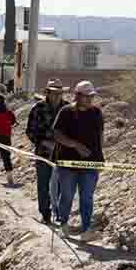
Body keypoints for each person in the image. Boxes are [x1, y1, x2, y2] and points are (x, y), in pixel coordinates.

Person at [53, 80, 104, 242]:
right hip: (67, 164)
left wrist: (99, 158)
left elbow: (100, 137)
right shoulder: (66, 112)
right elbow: (57, 135)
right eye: (86, 96)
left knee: (87, 197)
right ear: (77, 95)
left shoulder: (96, 113)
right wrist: (75, 145)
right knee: (67, 195)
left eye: (91, 96)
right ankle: (63, 224)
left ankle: (86, 229)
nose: (89, 99)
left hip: (90, 164)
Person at [26, 79, 69, 225]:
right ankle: (45, 213)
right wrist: (44, 142)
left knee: (61, 185)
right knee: (43, 184)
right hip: (43, 153)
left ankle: (59, 214)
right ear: (48, 93)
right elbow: (30, 131)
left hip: (63, 154)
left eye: (59, 93)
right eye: (54, 93)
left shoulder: (68, 108)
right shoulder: (38, 108)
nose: (57, 96)